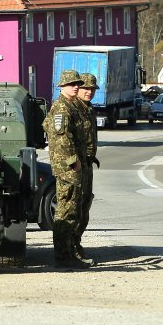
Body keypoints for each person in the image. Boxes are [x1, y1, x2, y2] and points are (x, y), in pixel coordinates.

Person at [42, 69, 92, 269]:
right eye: (72, 84)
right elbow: (61, 138)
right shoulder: (62, 108)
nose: (77, 86)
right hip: (67, 168)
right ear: (62, 86)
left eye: (77, 83)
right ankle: (63, 256)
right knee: (66, 210)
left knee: (75, 209)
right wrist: (74, 161)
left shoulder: (72, 106)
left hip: (74, 166)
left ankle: (71, 252)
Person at [76, 73, 100, 262]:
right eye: (85, 88)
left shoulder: (89, 109)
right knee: (72, 209)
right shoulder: (72, 109)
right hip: (74, 166)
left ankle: (76, 244)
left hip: (86, 164)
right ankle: (69, 250)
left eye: (92, 89)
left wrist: (91, 157)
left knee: (84, 208)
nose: (89, 92)